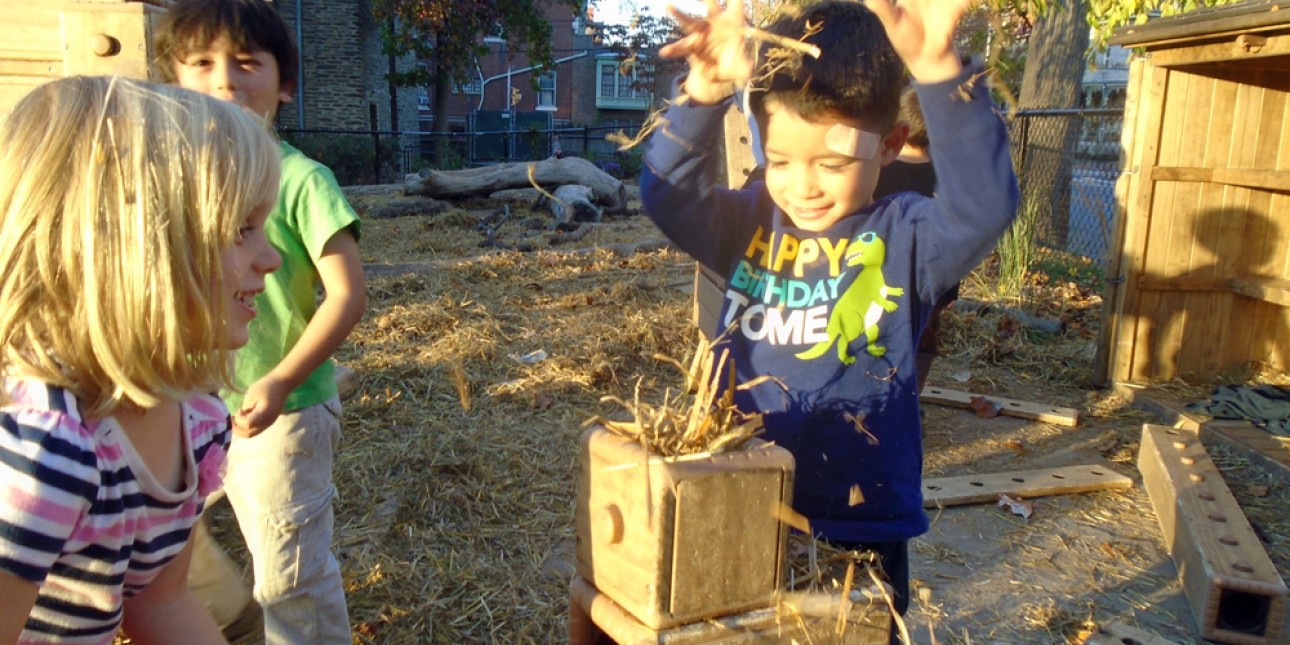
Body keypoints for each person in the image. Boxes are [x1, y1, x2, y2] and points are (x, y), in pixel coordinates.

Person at [640, 0, 1018, 633]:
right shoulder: (745, 226)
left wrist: (937, 69)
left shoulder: (906, 242)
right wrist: (703, 94)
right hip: (738, 500)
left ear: (891, 145)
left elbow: (984, 207)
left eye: (834, 163)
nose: (804, 186)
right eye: (782, 160)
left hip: (857, 522)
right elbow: (666, 193)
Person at [0, 75, 282, 645]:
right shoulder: (42, 453)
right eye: (239, 231)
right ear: (126, 248)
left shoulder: (196, 419)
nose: (270, 259)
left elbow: (161, 599)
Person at [155, 1, 368, 642]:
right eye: (202, 62)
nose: (224, 80)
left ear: (285, 84)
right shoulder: (173, 182)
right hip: (187, 402)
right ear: (174, 79)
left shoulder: (303, 181)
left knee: (290, 579)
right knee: (165, 549)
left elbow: (347, 295)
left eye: (247, 63)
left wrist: (279, 380)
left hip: (283, 413)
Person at [871, 88, 955, 394]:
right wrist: (949, 291)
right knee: (923, 339)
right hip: (930, 284)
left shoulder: (875, 170)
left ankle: (878, 398)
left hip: (876, 278)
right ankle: (910, 396)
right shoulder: (947, 177)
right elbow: (954, 239)